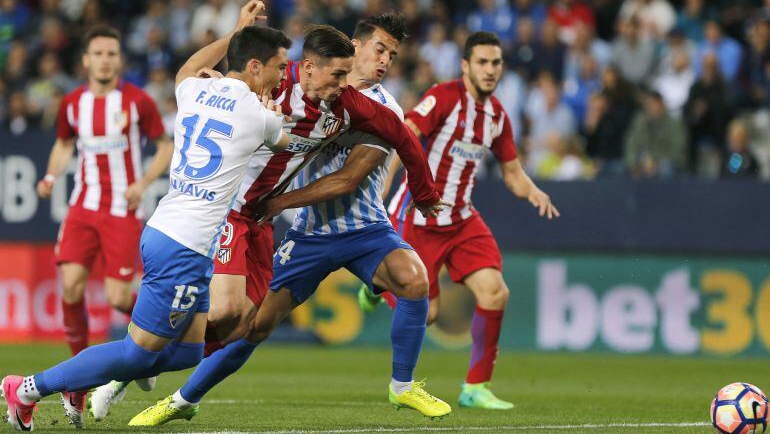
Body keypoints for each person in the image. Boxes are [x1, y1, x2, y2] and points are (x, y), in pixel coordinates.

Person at [127, 21, 448, 426]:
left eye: (392, 56)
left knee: (415, 279)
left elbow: (348, 179)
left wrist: (281, 201)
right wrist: (222, 83)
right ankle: (181, 398)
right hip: (311, 232)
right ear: (353, 48)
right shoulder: (289, 85)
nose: (384, 61)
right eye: (379, 49)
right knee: (252, 325)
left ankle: (403, 386)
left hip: (365, 227)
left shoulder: (381, 108)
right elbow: (245, 82)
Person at [2, 1, 292, 431]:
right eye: (279, 67)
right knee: (137, 354)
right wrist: (275, 112)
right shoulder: (257, 115)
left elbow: (190, 66)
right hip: (184, 245)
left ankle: (80, 377)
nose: (282, 76)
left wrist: (236, 32)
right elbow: (284, 141)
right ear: (254, 66)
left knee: (190, 352)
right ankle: (26, 387)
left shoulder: (193, 90)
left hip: (169, 230)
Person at [360, 31, 560, 410]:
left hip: (463, 219)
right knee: (429, 313)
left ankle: (475, 387)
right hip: (420, 216)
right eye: (482, 62)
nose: (490, 70)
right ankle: (377, 286)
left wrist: (533, 191)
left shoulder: (497, 116)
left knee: (496, 292)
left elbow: (513, 174)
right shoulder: (444, 97)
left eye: (496, 63)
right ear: (466, 65)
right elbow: (404, 138)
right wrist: (383, 188)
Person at [33, 24, 173, 416]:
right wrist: (49, 176)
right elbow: (63, 144)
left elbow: (164, 146)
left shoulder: (136, 102)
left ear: (119, 59)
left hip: (121, 209)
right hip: (83, 206)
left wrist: (144, 182)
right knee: (71, 288)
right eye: (98, 53)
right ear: (85, 60)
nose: (105, 59)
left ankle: (151, 339)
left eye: (112, 53)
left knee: (116, 297)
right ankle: (79, 378)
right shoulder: (72, 103)